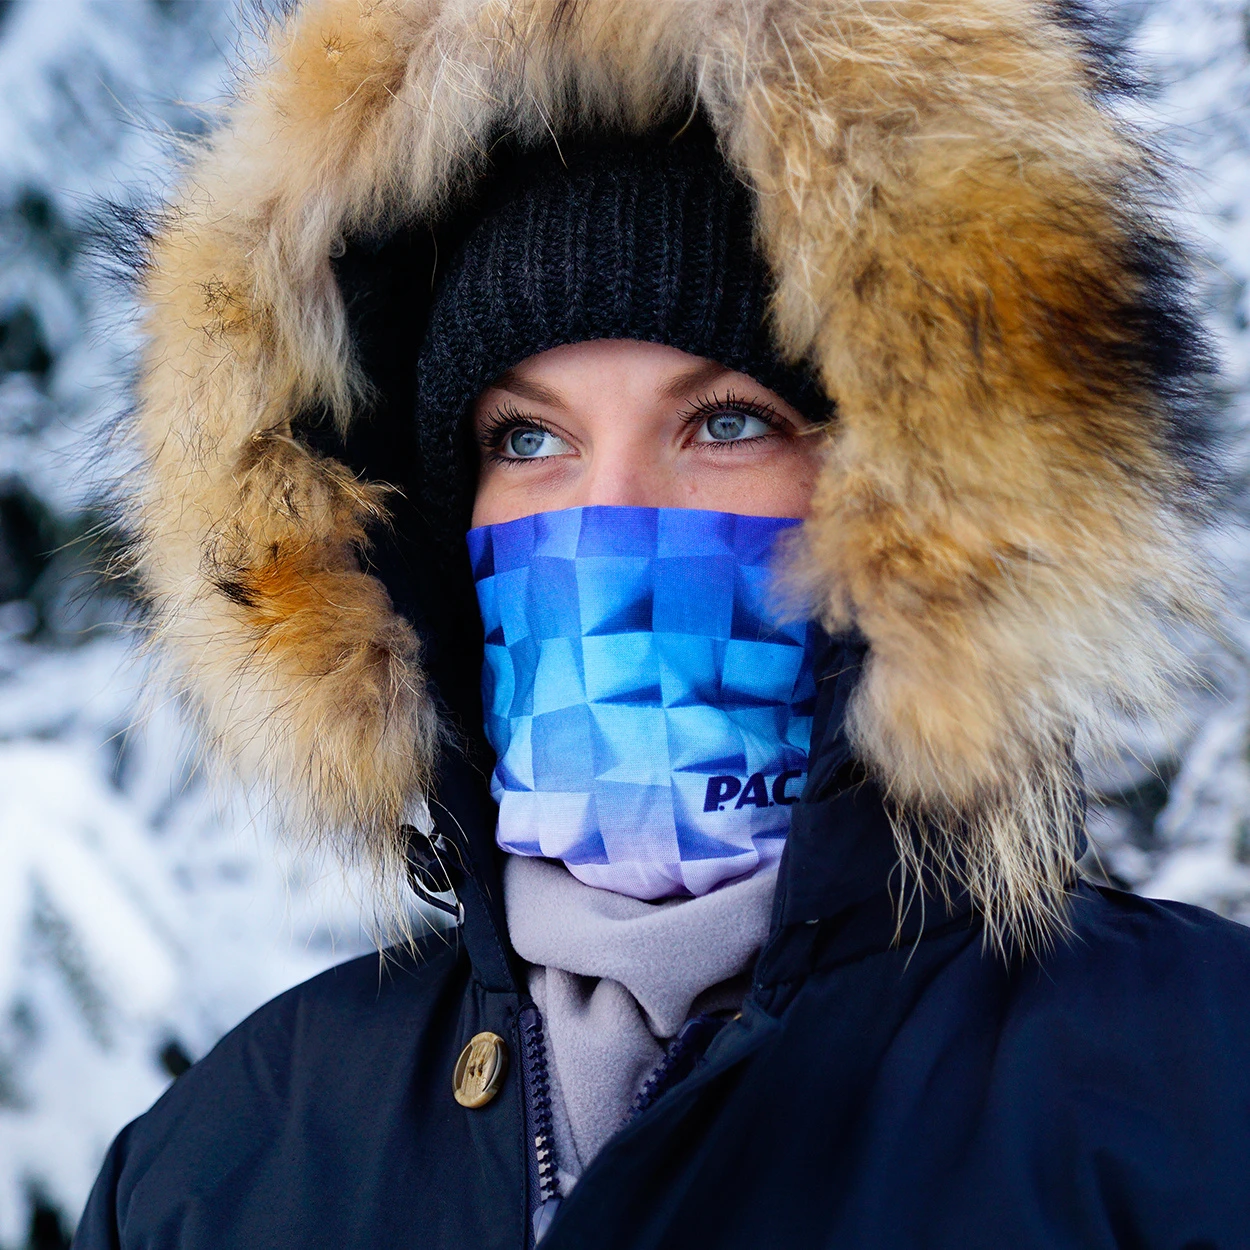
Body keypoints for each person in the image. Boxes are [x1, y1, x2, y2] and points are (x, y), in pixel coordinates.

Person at [75, 1, 1250, 1247]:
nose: (612, 513)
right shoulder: (218, 1163)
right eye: (527, 438)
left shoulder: (1195, 1088)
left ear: (921, 499)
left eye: (727, 422)